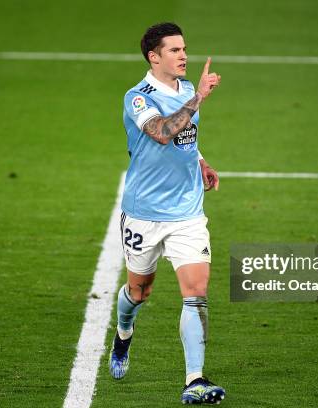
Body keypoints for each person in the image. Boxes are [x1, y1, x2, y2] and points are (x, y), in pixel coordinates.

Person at [109, 22, 225, 404]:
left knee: (196, 292)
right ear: (153, 56)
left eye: (185, 49)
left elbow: (188, 139)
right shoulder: (137, 97)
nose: (184, 56)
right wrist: (199, 101)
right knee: (139, 292)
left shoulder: (188, 89)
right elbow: (162, 132)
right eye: (174, 51)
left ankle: (195, 380)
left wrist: (202, 162)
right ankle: (123, 333)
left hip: (187, 212)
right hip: (144, 213)